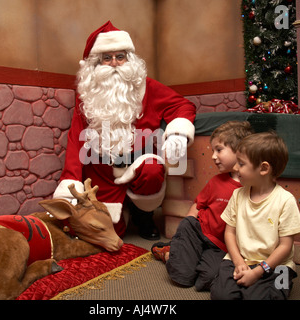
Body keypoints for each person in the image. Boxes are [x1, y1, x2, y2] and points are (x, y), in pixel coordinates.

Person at [53, 21, 196, 240]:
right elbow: (76, 135)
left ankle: (143, 214)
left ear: (129, 59)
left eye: (120, 57)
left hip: (138, 159)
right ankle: (122, 212)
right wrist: (71, 178)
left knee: (152, 170)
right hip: (101, 168)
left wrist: (177, 132)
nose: (114, 64)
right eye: (107, 58)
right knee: (108, 233)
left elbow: (182, 105)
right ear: (96, 63)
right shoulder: (88, 91)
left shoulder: (147, 86)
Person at [151, 121, 254, 291]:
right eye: (213, 151)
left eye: (219, 150)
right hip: (198, 231)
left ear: (240, 151)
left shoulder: (252, 187)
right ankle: (170, 254)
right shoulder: (215, 182)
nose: (213, 156)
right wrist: (189, 226)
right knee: (182, 278)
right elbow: (198, 206)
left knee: (207, 280)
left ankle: (176, 253)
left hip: (221, 246)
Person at [210, 131, 300, 300]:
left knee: (271, 295)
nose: (235, 168)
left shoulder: (285, 200)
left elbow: (285, 246)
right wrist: (239, 262)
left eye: (241, 163)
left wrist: (258, 272)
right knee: (220, 295)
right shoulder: (237, 195)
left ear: (263, 168)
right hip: (240, 259)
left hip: (277, 266)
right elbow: (229, 232)